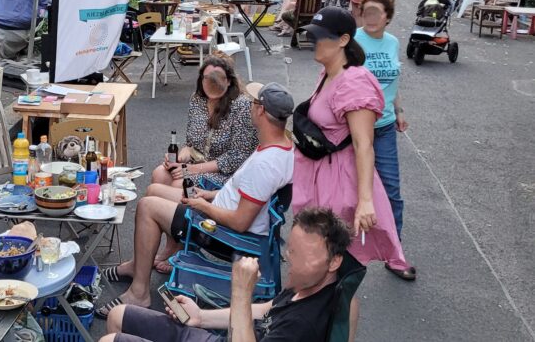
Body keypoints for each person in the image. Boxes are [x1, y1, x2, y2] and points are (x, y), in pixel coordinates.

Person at [97, 82, 295, 317]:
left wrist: (202, 205)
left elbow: (241, 222)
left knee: (146, 206)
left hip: (224, 233)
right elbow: (243, 195)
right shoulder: (282, 147)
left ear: (261, 110)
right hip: (221, 208)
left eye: (253, 103)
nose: (250, 108)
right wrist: (210, 195)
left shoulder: (265, 164)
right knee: (155, 190)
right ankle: (138, 265)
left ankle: (139, 293)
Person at [296, 7, 412, 337]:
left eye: (319, 37)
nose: (312, 41)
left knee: (338, 284)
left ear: (343, 40)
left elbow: (364, 145)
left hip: (342, 192)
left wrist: (364, 202)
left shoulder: (354, 81)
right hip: (323, 184)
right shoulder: (329, 73)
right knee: (325, 280)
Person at [100, 207, 351, 342]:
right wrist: (201, 317)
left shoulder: (302, 325)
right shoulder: (308, 284)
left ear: (334, 261)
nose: (290, 262)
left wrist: (241, 292)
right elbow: (266, 310)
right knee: (118, 314)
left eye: (302, 255)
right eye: (291, 251)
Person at [354, 0, 415, 281]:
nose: (371, 17)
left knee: (391, 192)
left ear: (387, 17)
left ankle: (395, 254)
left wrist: (399, 110)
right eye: (366, 12)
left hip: (385, 126)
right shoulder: (352, 40)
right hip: (353, 128)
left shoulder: (392, 42)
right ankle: (343, 250)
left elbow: (392, 81)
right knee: (347, 189)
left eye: (376, 12)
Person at [150, 56, 257, 191]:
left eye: (217, 78)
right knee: (159, 174)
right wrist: (180, 158)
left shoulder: (241, 106)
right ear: (201, 79)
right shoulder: (197, 99)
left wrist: (193, 169)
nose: (213, 83)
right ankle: (160, 210)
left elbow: (237, 157)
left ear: (228, 81)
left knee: (179, 185)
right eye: (208, 78)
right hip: (195, 163)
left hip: (226, 174)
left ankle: (183, 211)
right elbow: (191, 144)